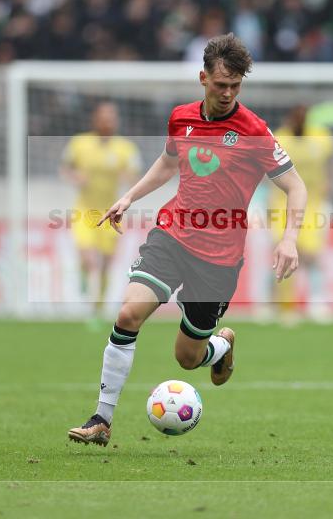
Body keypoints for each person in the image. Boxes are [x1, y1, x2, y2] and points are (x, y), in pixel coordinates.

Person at [68, 33, 308, 446]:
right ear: (203, 78)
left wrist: (289, 239)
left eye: (235, 86)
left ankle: (221, 345)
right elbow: (167, 162)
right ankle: (101, 419)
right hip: (173, 235)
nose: (228, 93)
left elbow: (297, 187)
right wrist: (128, 196)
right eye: (220, 85)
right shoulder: (181, 117)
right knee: (127, 315)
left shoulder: (254, 131)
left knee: (187, 357)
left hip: (219, 258)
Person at [60, 101, 141, 316]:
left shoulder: (125, 148)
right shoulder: (79, 143)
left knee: (106, 263)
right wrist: (75, 176)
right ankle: (85, 276)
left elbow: (135, 174)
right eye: (104, 116)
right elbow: (65, 168)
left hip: (111, 213)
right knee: (89, 259)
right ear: (95, 119)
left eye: (112, 117)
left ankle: (98, 306)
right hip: (84, 210)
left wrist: (128, 178)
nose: (108, 121)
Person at [269, 104, 333, 322]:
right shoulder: (279, 139)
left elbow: (330, 163)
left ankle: (317, 301)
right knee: (283, 254)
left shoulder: (321, 138)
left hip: (313, 204)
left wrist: (328, 182)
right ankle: (282, 306)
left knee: (312, 255)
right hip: (282, 203)